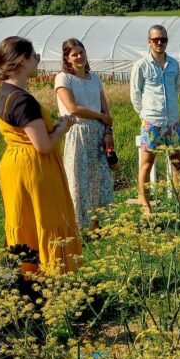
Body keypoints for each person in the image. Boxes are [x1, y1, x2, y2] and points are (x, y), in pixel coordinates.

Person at [0, 36, 81, 274]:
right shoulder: (23, 100)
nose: (37, 61)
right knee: (45, 219)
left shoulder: (5, 92)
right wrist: (62, 128)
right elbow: (42, 145)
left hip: (14, 164)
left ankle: (25, 276)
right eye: (35, 57)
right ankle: (50, 276)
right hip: (33, 168)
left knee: (24, 221)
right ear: (22, 61)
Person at [55, 38, 115, 232]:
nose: (79, 56)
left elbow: (107, 113)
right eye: (74, 54)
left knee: (98, 179)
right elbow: (73, 108)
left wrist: (108, 131)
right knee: (78, 179)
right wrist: (99, 116)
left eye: (81, 52)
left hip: (98, 133)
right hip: (78, 131)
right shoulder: (64, 78)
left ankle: (96, 224)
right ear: (67, 58)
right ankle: (77, 226)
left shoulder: (94, 79)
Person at [130, 24, 180, 215]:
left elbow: (176, 87)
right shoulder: (141, 65)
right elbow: (135, 94)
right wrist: (145, 116)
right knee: (147, 163)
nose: (159, 43)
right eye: (156, 39)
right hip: (152, 122)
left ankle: (179, 201)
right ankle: (144, 201)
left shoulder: (174, 64)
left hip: (173, 122)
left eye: (163, 39)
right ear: (149, 41)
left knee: (177, 162)